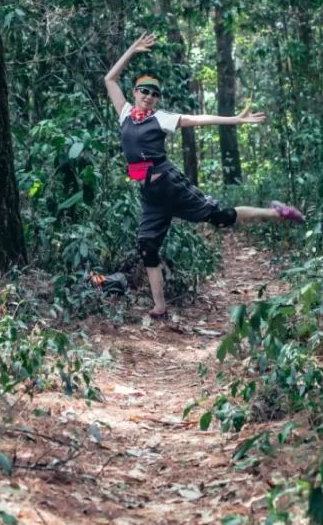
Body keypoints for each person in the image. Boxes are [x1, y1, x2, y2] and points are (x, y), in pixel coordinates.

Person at [104, 32, 305, 322]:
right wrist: (132, 50)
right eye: (144, 91)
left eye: (154, 93)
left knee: (222, 217)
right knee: (148, 247)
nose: (148, 96)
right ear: (134, 92)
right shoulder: (124, 112)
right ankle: (159, 307)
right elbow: (110, 79)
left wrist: (234, 120)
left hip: (171, 186)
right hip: (149, 196)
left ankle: (276, 213)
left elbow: (198, 120)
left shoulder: (160, 118)